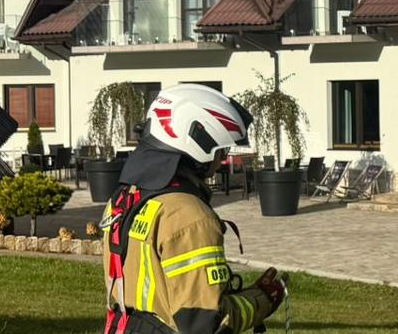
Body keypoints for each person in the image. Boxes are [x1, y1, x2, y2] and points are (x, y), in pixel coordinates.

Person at [100, 84, 283, 334]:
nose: (222, 161)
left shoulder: (124, 199)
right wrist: (262, 299)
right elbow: (205, 323)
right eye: (221, 151)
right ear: (197, 141)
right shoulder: (189, 216)